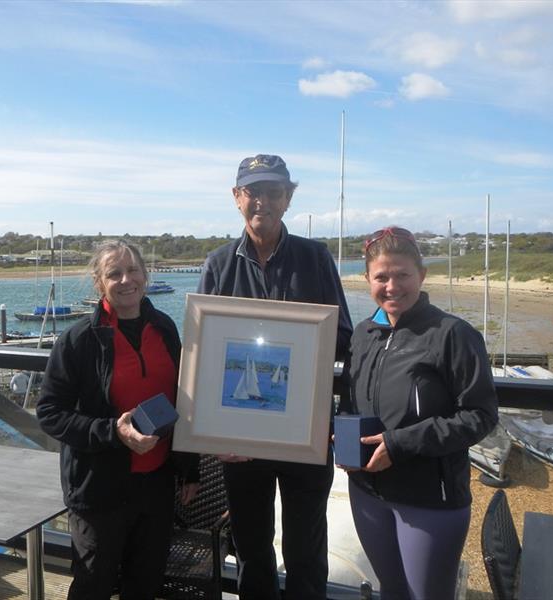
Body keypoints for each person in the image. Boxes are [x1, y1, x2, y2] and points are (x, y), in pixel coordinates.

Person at [198, 154, 353, 599]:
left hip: (305, 432)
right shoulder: (218, 264)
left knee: (306, 547)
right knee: (251, 547)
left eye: (273, 191)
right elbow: (205, 353)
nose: (262, 201)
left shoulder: (315, 258)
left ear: (288, 198)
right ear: (236, 198)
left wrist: (303, 343)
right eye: (252, 191)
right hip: (240, 439)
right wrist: (212, 431)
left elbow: (341, 336)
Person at [36, 240, 199, 600]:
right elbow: (49, 412)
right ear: (99, 283)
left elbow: (182, 401)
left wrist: (189, 468)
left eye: (133, 270)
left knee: (145, 582)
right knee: (94, 585)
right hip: (100, 489)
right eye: (114, 273)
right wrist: (113, 432)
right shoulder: (78, 340)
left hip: (156, 485)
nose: (126, 280)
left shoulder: (165, 329)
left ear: (146, 274)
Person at [342, 226, 498, 600]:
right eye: (381, 277)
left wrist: (399, 444)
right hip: (365, 490)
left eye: (402, 275)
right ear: (367, 280)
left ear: (422, 276)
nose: (392, 286)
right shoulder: (363, 334)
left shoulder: (452, 334)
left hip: (429, 498)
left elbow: (480, 414)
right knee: (391, 592)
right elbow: (351, 402)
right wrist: (341, 437)